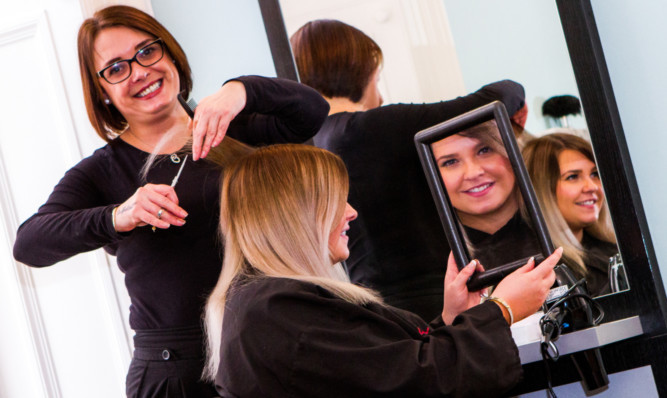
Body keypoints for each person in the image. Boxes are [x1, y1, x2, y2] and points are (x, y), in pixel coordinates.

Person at [12, 5, 329, 397]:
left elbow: (312, 111)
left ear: (171, 55)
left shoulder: (234, 128)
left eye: (147, 51)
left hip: (271, 344)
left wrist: (240, 90)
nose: (140, 71)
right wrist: (118, 216)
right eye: (116, 69)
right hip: (177, 375)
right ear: (103, 93)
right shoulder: (102, 172)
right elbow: (29, 244)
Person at [203, 143, 562, 397]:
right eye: (336, 200)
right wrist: (502, 309)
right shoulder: (278, 311)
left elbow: (382, 367)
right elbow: (414, 383)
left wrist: (453, 317)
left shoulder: (264, 303)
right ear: (295, 214)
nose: (351, 212)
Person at [290, 19, 527, 321]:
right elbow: (495, 98)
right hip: (432, 300)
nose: (380, 94)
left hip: (377, 306)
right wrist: (516, 95)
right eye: (377, 79)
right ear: (357, 70)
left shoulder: (312, 145)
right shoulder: (371, 127)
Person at [430, 120, 542, 271]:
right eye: (450, 162)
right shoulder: (432, 265)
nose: (473, 173)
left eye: (484, 150)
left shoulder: (567, 221)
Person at [522, 132, 618, 296]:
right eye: (573, 177)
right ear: (540, 189)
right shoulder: (535, 270)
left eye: (594, 174)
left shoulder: (613, 250)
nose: (592, 186)